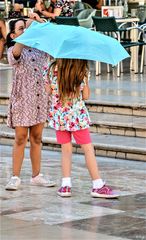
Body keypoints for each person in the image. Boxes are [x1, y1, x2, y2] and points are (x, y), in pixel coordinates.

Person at [44, 59, 119, 198]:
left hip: (59, 116)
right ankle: (97, 184)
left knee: (66, 150)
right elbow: (85, 96)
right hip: (77, 117)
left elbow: (48, 91)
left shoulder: (50, 69)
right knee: (88, 149)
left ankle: (65, 185)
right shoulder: (81, 70)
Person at [5, 18, 56, 190]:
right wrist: (26, 34)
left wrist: (39, 24)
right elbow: (16, 55)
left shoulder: (41, 50)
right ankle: (15, 176)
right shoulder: (14, 49)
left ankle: (36, 175)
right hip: (22, 99)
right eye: (20, 29)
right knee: (20, 138)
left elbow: (52, 44)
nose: (25, 31)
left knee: (37, 137)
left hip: (40, 98)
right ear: (13, 35)